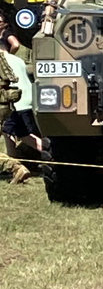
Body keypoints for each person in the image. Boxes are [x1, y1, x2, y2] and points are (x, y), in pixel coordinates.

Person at [1, 28, 47, 183]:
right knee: (10, 132)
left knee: (23, 135)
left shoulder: (3, 62)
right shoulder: (18, 60)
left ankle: (51, 156)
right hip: (29, 100)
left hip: (15, 103)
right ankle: (16, 164)